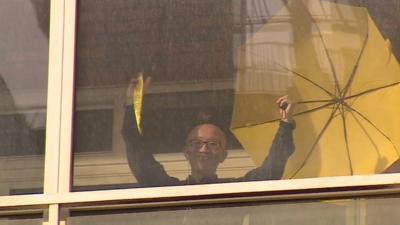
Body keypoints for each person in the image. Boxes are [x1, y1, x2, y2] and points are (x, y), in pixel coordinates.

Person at [122, 76, 295, 187]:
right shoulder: (171, 191)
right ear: (186, 152)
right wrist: (132, 104)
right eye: (197, 143)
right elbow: (141, 163)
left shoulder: (232, 191)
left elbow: (269, 172)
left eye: (213, 144)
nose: (204, 149)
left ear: (223, 155)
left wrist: (286, 125)